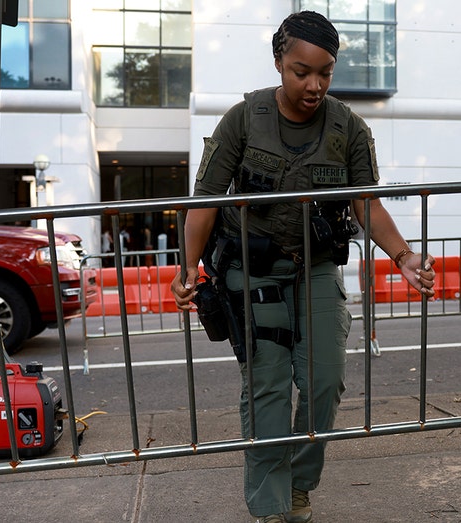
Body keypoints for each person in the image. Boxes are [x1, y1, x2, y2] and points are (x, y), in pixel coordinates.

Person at [170, 11, 436, 523]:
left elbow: (366, 204)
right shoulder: (243, 119)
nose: (314, 84)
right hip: (250, 269)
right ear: (278, 63)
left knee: (324, 382)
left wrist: (403, 256)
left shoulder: (348, 128)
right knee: (267, 388)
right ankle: (271, 507)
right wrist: (187, 269)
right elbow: (204, 202)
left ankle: (299, 484)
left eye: (326, 72)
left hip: (314, 269)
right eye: (301, 71)